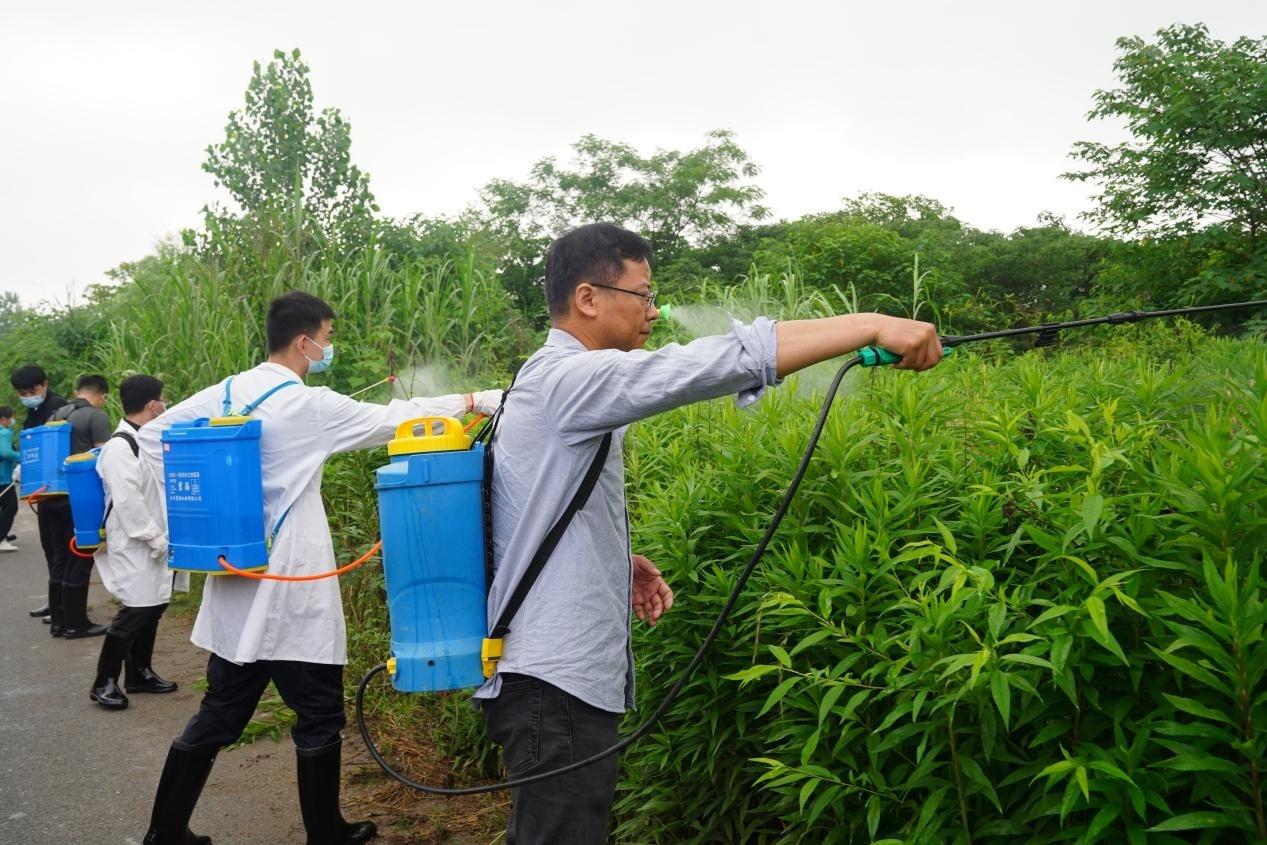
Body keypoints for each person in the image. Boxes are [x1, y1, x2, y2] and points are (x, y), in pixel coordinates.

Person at [475, 223, 944, 844]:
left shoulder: (549, 383)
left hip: (547, 680)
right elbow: (701, 364)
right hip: (553, 686)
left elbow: (527, 510)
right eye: (643, 295)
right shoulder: (566, 380)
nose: (655, 310)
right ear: (588, 299)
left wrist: (617, 560)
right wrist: (868, 325)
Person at [137, 291, 503, 845]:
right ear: (305, 341)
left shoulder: (230, 391)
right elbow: (395, 419)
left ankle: (165, 832)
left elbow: (149, 436)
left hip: (237, 580)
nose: (329, 347)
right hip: (292, 586)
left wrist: (202, 523)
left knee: (219, 713)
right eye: (328, 337)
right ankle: (326, 834)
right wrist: (474, 399)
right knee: (319, 714)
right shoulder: (307, 406)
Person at [90, 374, 178, 710]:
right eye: (162, 398)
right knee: (136, 608)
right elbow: (128, 503)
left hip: (155, 540)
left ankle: (139, 673)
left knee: (154, 607)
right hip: (137, 541)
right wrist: (154, 537)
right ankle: (104, 682)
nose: (164, 404)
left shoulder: (148, 440)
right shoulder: (120, 446)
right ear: (153, 404)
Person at [50, 373, 113, 638]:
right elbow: (106, 458)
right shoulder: (96, 416)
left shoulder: (57, 414)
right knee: (80, 557)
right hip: (80, 498)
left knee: (59, 558)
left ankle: (58, 622)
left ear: (77, 390)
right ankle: (77, 624)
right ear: (103, 395)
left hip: (52, 495)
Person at [10, 364, 71, 628]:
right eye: (22, 392)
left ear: (44, 384)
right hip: (42, 492)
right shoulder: (32, 411)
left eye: (32, 390)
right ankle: (54, 601)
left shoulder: (59, 408)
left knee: (61, 550)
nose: (28, 395)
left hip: (60, 491)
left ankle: (64, 607)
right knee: (49, 547)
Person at [0, 406, 18, 553]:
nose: (12, 420)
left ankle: (2, 534)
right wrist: (23, 459)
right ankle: (1, 539)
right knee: (10, 507)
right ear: (4, 419)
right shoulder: (4, 432)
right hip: (3, 478)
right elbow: (6, 453)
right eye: (11, 417)